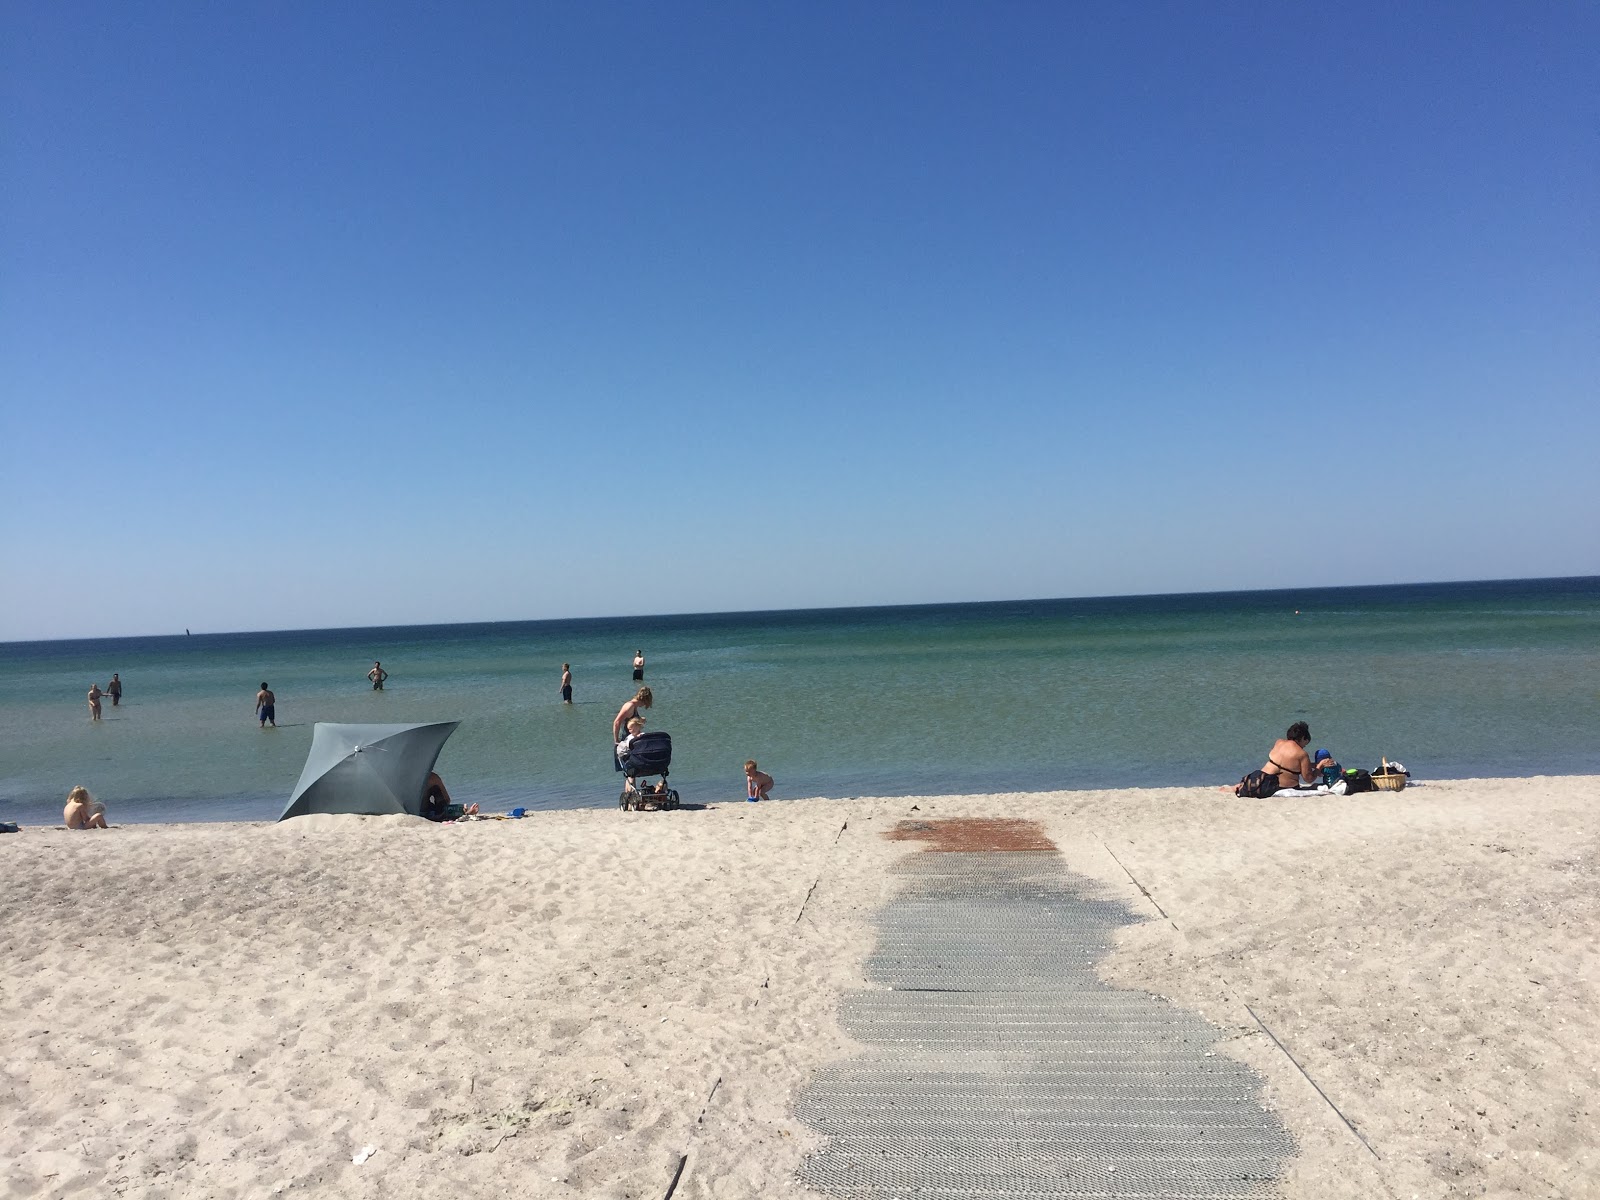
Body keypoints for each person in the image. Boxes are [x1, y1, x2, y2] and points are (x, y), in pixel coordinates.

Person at [1261, 721, 1318, 790]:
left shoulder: (1278, 742)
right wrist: (1319, 767)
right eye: (1305, 744)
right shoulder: (1302, 754)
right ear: (1303, 738)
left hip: (1263, 782)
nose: (1303, 747)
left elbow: (1288, 763)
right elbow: (1308, 779)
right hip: (1281, 787)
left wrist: (1310, 765)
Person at [611, 687, 653, 770]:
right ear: (644, 699)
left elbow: (630, 721)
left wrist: (640, 720)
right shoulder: (629, 706)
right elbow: (617, 722)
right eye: (646, 703)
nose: (644, 705)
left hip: (633, 742)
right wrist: (616, 740)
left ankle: (632, 783)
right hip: (625, 742)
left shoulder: (634, 707)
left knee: (633, 771)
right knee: (629, 771)